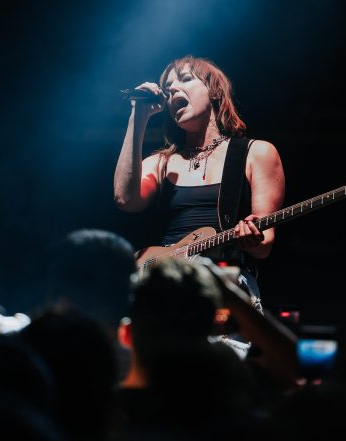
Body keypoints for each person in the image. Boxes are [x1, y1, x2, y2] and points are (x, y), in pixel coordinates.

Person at [113, 55, 285, 312]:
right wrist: (138, 115)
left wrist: (252, 238)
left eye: (184, 79)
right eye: (168, 87)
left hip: (223, 287)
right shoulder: (162, 162)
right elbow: (126, 199)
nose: (172, 90)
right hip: (167, 284)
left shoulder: (256, 152)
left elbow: (263, 247)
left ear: (214, 90)